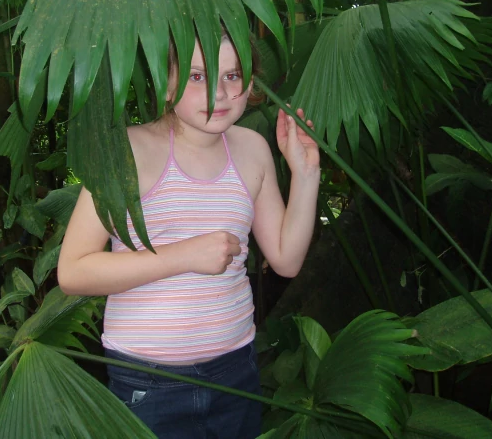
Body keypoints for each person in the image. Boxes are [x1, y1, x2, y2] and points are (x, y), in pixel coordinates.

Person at [58, 32, 320, 439]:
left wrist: (306, 174)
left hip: (236, 371)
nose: (220, 92)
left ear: (251, 82)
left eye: (232, 75)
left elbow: (286, 260)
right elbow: (73, 271)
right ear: (166, 84)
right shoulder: (126, 151)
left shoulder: (252, 149)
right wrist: (184, 255)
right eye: (198, 76)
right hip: (148, 381)